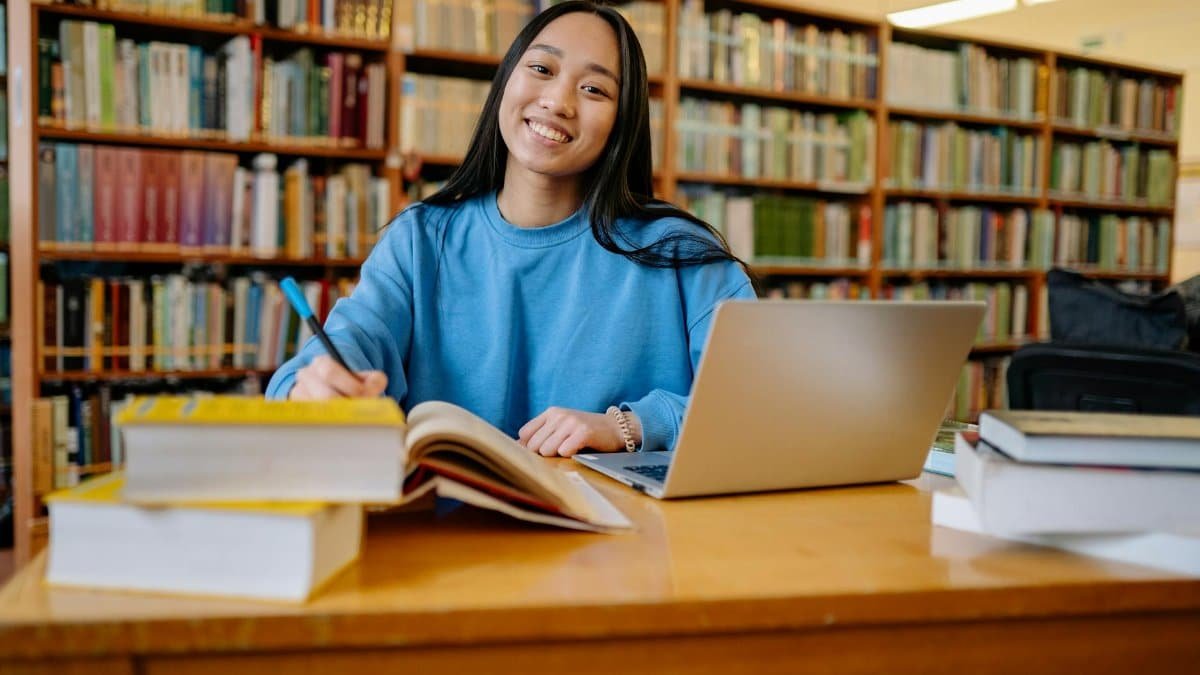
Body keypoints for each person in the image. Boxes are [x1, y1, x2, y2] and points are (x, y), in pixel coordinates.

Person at [266, 0, 756, 457]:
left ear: (622, 121)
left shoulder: (682, 254)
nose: (558, 101)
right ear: (505, 82)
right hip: (449, 539)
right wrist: (314, 383)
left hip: (629, 543)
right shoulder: (419, 241)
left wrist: (628, 426)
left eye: (594, 89)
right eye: (541, 69)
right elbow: (353, 339)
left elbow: (758, 405)